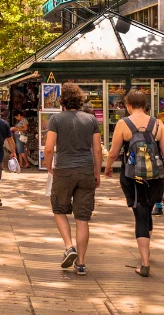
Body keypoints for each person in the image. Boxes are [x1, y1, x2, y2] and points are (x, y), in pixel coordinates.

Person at [104, 89, 164, 277]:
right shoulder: (158, 124)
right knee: (147, 211)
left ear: (128, 105)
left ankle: (145, 263)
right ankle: (146, 251)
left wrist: (107, 168)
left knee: (140, 214)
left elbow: (114, 152)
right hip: (155, 177)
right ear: (146, 105)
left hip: (132, 177)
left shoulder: (123, 124)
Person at [44, 85, 101, 276]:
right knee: (83, 218)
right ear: (80, 100)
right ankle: (82, 263)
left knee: (59, 209)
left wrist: (49, 166)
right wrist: (97, 172)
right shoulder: (91, 119)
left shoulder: (56, 119)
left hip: (64, 170)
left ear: (62, 101)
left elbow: (50, 147)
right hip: (85, 170)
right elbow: (98, 149)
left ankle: (69, 246)